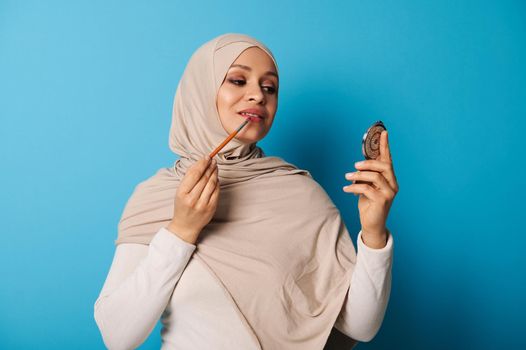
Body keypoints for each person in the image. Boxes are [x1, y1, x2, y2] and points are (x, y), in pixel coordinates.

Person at [94, 33, 398, 350]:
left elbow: (359, 326)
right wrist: (181, 231)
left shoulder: (301, 195)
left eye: (269, 88)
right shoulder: (158, 196)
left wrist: (374, 233)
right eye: (238, 80)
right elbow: (118, 336)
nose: (257, 95)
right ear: (201, 89)